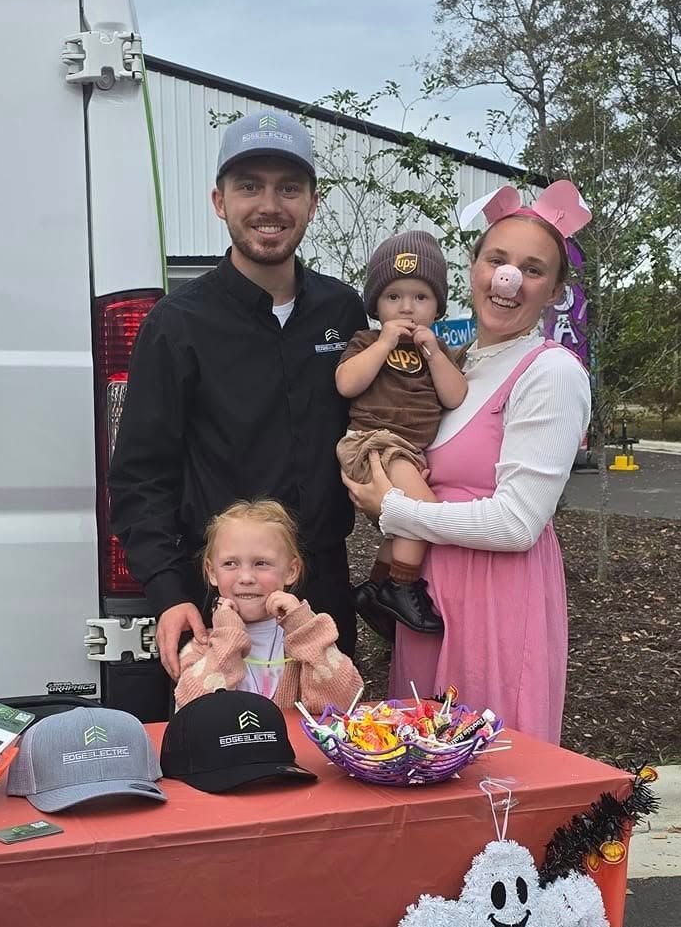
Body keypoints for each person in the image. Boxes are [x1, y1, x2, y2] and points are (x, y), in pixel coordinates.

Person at [108, 110, 368, 679]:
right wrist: (169, 591)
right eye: (249, 186)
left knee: (329, 750)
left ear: (312, 203)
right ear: (219, 201)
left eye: (288, 188)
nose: (270, 205)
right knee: (227, 756)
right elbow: (140, 474)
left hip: (321, 596)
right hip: (222, 605)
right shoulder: (176, 325)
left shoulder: (343, 312)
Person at [343, 182, 593, 744]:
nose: (509, 280)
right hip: (430, 596)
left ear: (554, 291)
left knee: (491, 772)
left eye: (532, 269)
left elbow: (516, 524)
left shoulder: (549, 372)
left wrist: (397, 511)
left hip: (496, 598)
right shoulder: (460, 366)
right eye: (497, 260)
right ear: (474, 268)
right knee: (421, 761)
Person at [334, 230, 468, 638]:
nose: (406, 307)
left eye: (420, 298)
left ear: (437, 307)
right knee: (423, 510)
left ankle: (374, 587)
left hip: (410, 451)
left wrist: (432, 352)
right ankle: (401, 586)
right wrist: (384, 343)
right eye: (394, 297)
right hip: (372, 442)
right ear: (376, 304)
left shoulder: (438, 350)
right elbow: (346, 383)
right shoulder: (366, 341)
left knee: (402, 524)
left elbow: (455, 395)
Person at [173, 500, 362, 713]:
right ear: (212, 572)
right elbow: (188, 713)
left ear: (291, 571)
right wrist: (228, 638)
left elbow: (346, 702)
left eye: (261, 563)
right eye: (230, 564)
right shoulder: (201, 648)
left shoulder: (309, 638)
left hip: (297, 747)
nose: (245, 577)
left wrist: (304, 629)